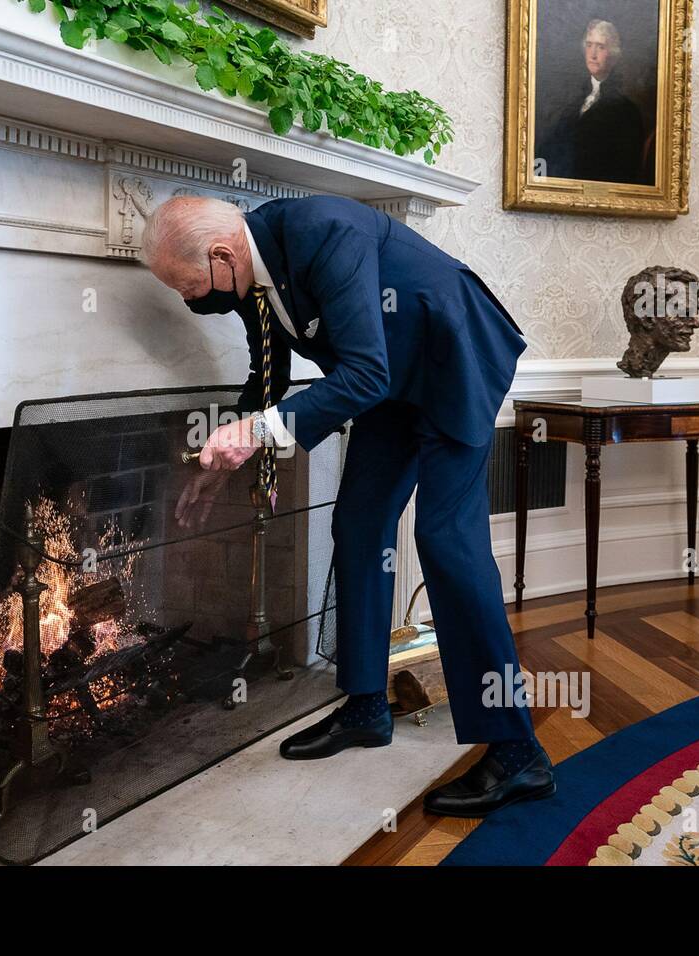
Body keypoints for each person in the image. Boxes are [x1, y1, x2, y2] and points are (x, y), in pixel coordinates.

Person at [138, 194, 555, 817]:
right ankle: (366, 706)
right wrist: (218, 458)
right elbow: (269, 379)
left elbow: (363, 372)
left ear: (222, 256)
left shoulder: (322, 232)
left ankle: (519, 753)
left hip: (451, 360)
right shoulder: (253, 274)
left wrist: (256, 435)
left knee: (447, 543)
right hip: (389, 382)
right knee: (358, 524)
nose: (191, 301)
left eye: (189, 286)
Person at [536, 19, 647, 185]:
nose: (593, 54)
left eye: (601, 47)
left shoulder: (627, 111)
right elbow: (548, 150)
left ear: (614, 55)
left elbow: (624, 172)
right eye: (589, 45)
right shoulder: (572, 100)